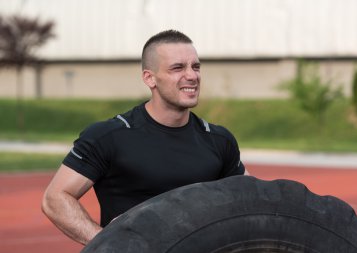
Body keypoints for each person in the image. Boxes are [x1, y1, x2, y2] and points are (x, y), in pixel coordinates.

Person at [41, 29, 247, 245]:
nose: (192, 75)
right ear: (150, 78)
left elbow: (249, 199)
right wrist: (108, 243)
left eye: (195, 67)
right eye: (178, 68)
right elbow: (55, 198)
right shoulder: (108, 136)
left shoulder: (218, 139)